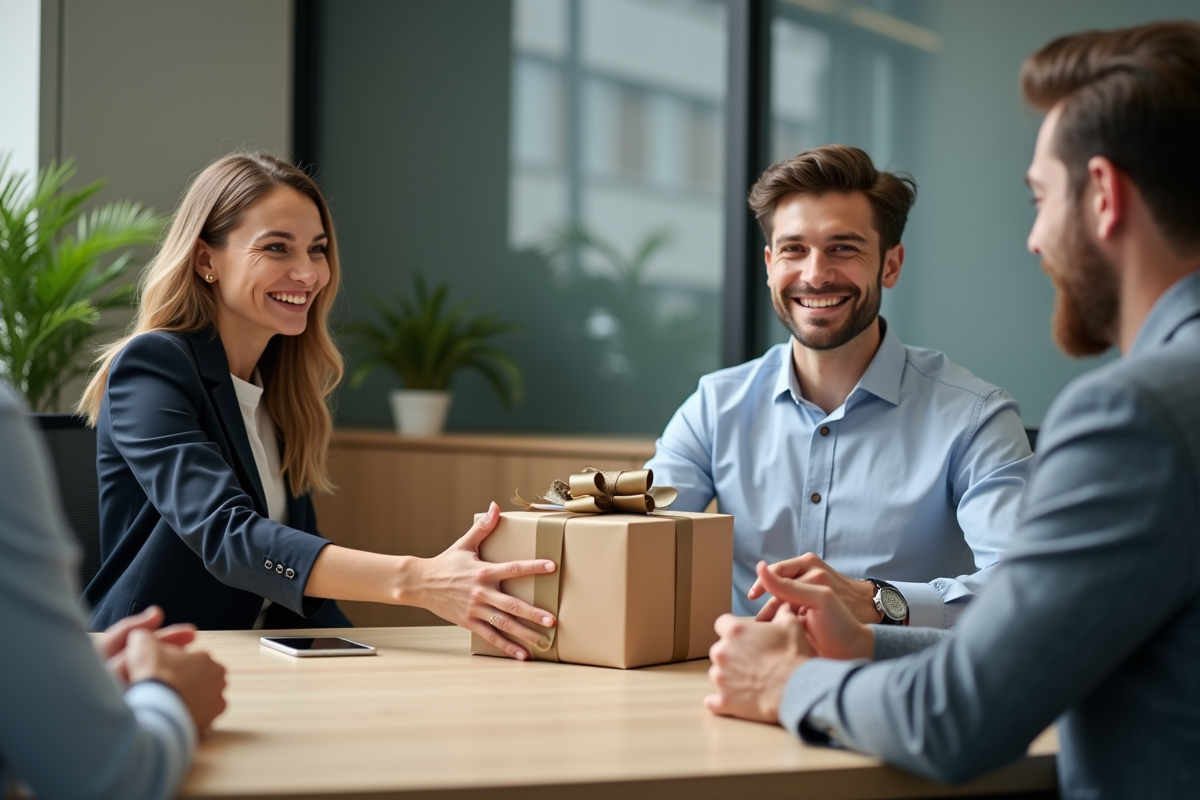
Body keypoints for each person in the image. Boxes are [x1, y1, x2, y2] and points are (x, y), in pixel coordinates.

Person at [704, 21, 1200, 799]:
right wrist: (867, 647)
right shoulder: (716, 402)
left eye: (1040, 198)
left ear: (1103, 195)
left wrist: (781, 686)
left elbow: (962, 715)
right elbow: (1046, 652)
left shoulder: (1137, 415)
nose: (1035, 239)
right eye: (793, 249)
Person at [78, 154, 554, 660]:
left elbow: (300, 581)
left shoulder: (279, 388)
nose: (307, 273)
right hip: (158, 660)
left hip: (267, 655)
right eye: (277, 248)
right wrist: (420, 580)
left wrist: (364, 659)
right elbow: (227, 535)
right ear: (205, 261)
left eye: (318, 250)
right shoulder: (153, 366)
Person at [646, 145, 1032, 628]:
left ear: (890, 265)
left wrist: (873, 600)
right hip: (741, 685)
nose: (815, 274)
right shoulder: (715, 405)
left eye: (843, 248)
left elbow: (1022, 583)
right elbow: (633, 536)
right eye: (793, 249)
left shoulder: (975, 416)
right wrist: (532, 590)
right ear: (769, 265)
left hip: (898, 691)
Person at [0, 381, 226, 800]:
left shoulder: (281, 394)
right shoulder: (152, 370)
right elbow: (106, 782)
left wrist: (57, 673)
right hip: (171, 659)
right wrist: (170, 696)